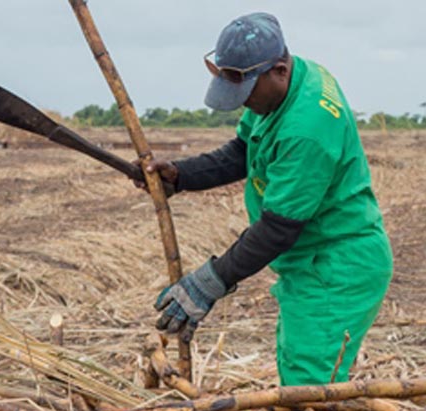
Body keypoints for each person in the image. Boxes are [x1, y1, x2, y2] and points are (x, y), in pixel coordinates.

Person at [145, 12, 392, 386]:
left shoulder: (307, 128)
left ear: (278, 69)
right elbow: (243, 150)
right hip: (312, 259)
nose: (245, 106)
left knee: (309, 387)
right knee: (301, 370)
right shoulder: (294, 80)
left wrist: (210, 282)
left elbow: (277, 229)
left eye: (246, 95)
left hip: (336, 265)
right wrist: (182, 176)